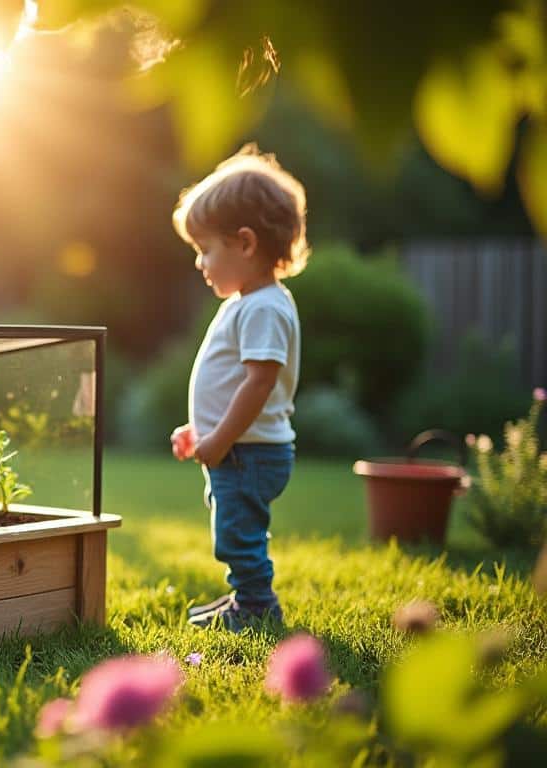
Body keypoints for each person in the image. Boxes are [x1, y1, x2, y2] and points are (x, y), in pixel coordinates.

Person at [169, 144, 308, 632]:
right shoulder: (247, 302)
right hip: (238, 448)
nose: (200, 263)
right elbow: (233, 381)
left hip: (248, 452)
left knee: (237, 532)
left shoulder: (264, 306)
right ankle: (244, 598)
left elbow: (259, 383)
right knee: (234, 526)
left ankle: (256, 605)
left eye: (206, 249)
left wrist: (221, 438)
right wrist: (201, 428)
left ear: (246, 244)